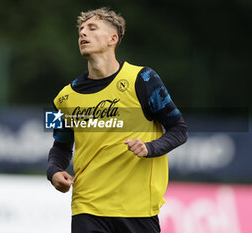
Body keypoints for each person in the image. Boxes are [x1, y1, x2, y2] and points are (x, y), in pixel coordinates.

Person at [47, 7, 188, 233]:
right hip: (87, 207)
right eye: (81, 30)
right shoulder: (62, 98)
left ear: (113, 38)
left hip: (138, 209)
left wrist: (150, 148)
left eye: (92, 28)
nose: (83, 33)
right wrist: (53, 171)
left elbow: (179, 129)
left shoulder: (144, 79)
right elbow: (60, 146)